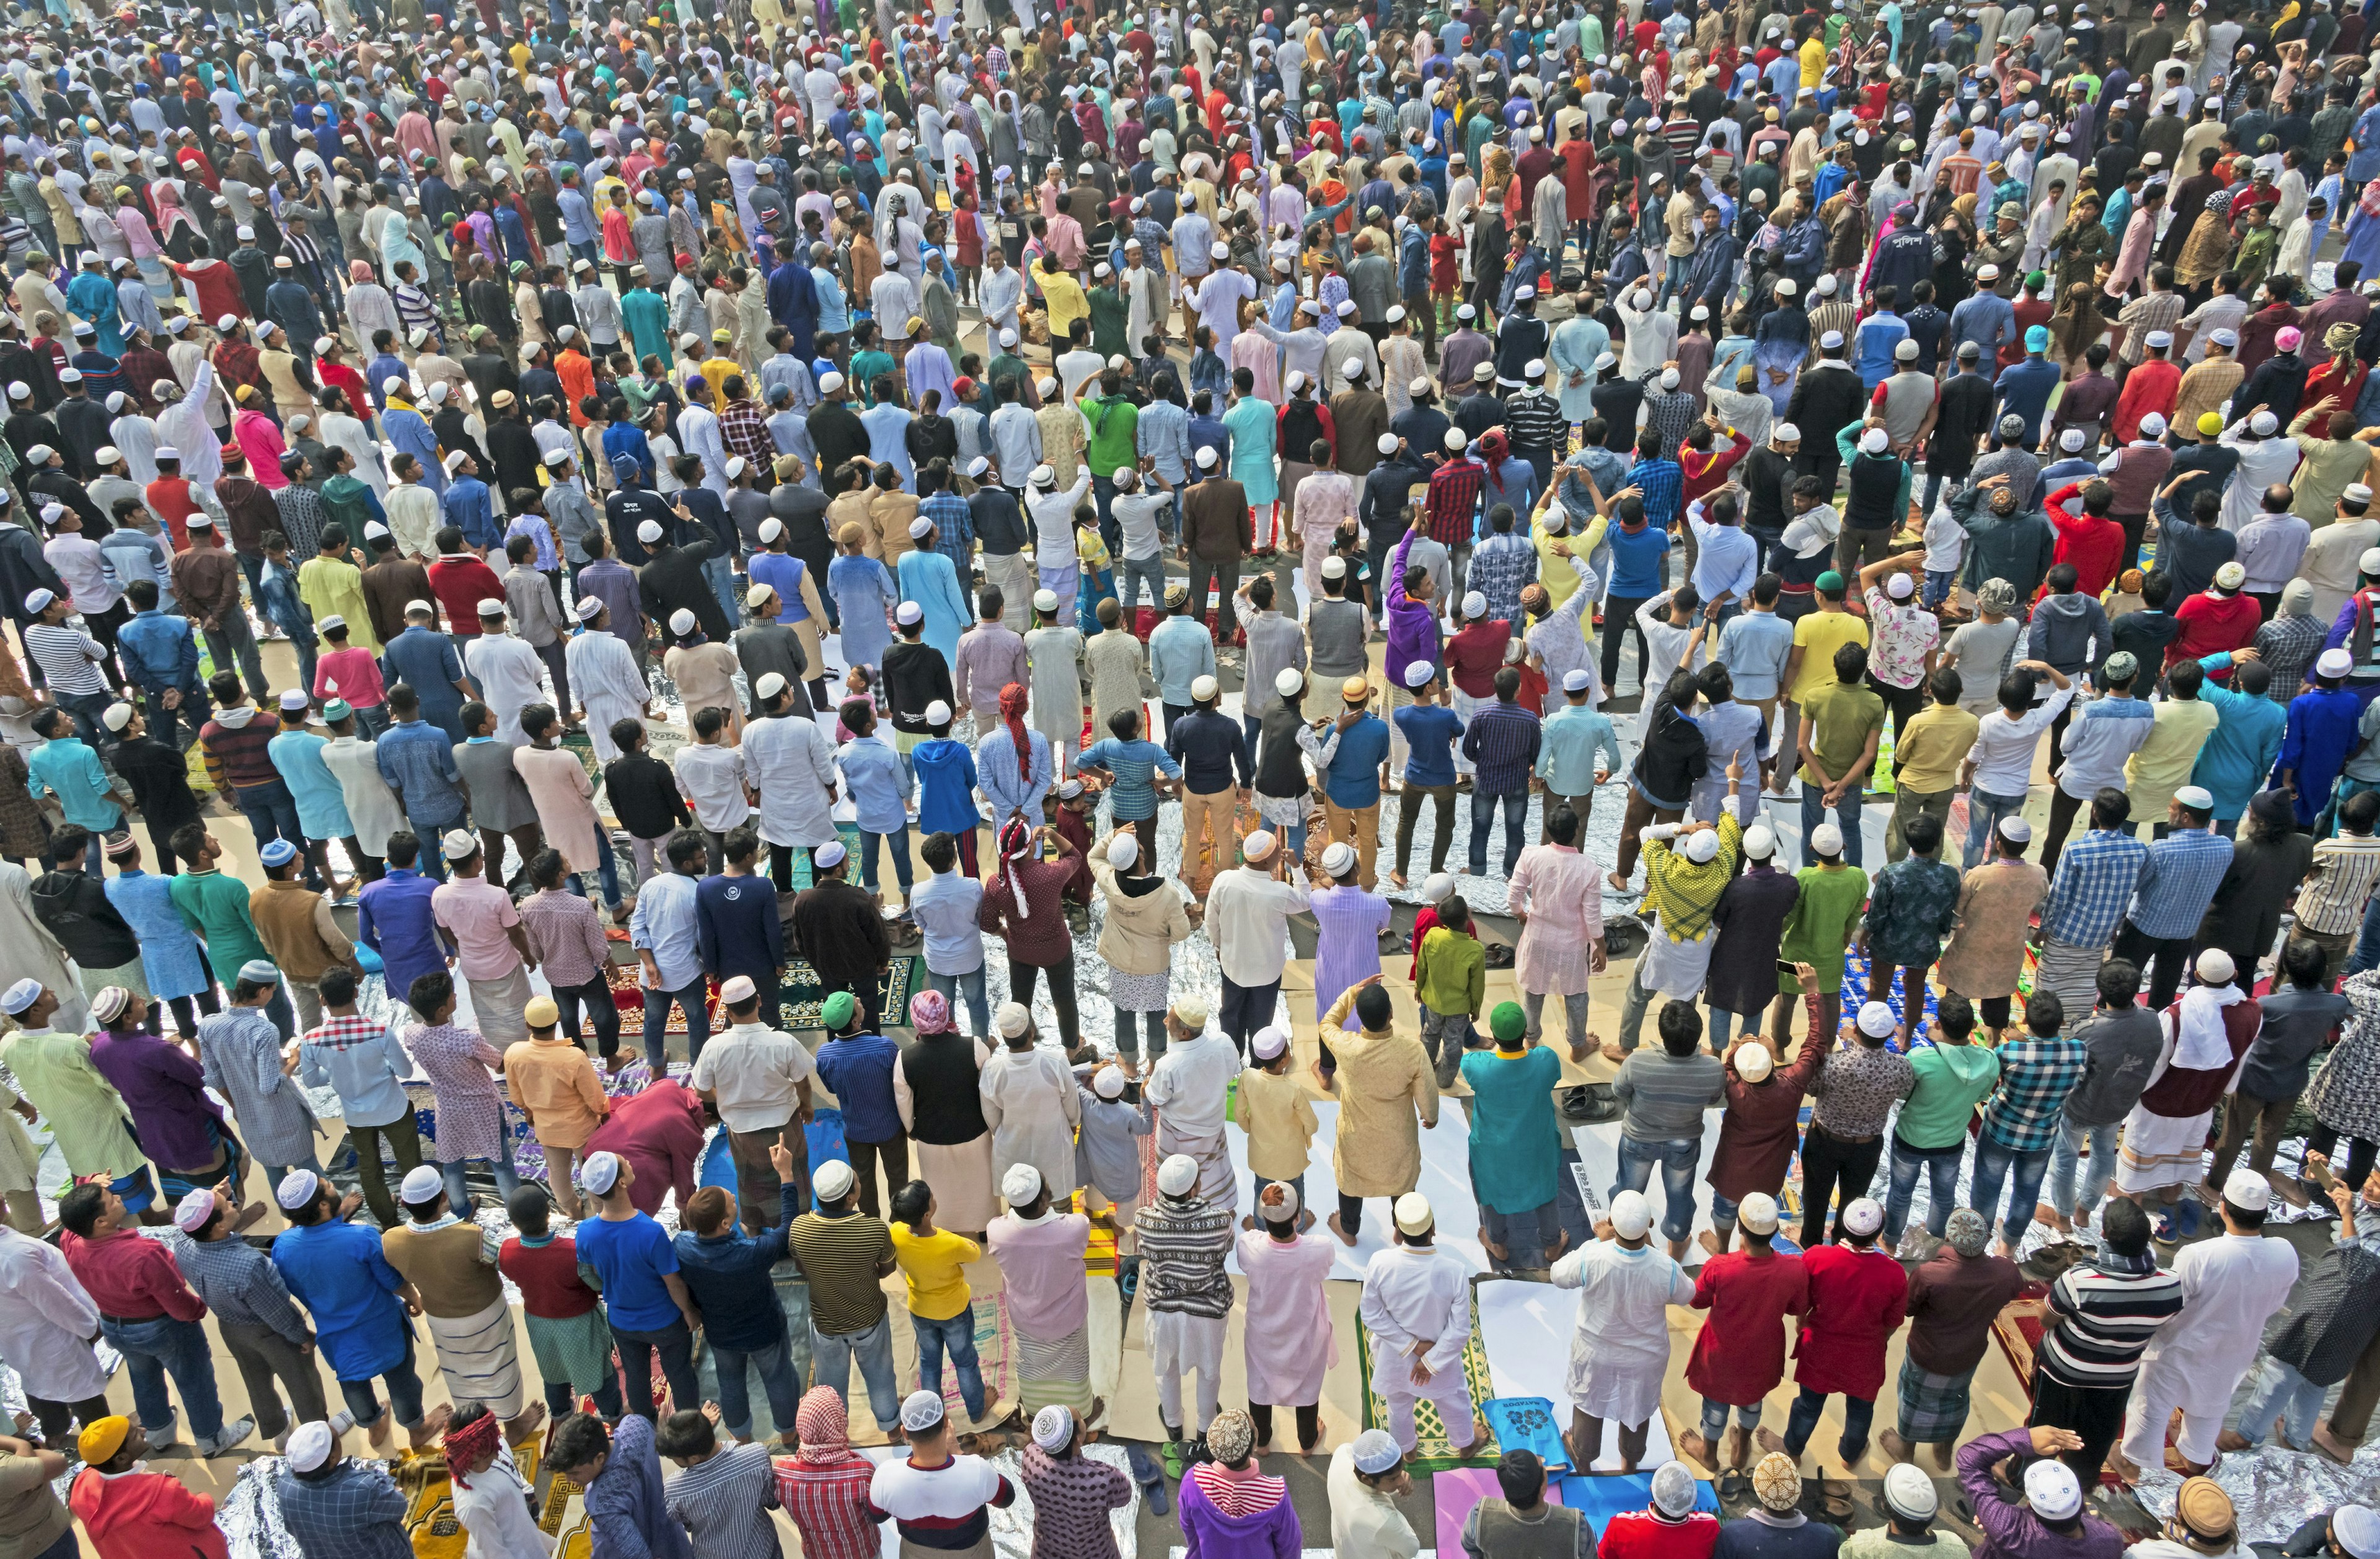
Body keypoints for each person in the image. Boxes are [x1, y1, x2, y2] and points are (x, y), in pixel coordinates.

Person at [2113, 1168, 2303, 1480]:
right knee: (2209, 1407)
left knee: (2152, 1402)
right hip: (2235, 1350)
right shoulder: (2284, 1253)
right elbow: (2274, 1304)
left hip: (2180, 1349)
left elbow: (2171, 1305)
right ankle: (2196, 1459)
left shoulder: (2200, 1255)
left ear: (2223, 1208)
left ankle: (2133, 1461)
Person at [381, 1165, 539, 1442]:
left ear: (405, 1204)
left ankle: (473, 1423)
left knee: (458, 1372)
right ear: (444, 1197)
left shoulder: (392, 1241)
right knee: (499, 1367)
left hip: (441, 1320)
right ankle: (512, 1427)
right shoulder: (470, 1236)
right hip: (485, 1315)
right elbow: (498, 1259)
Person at [1553, 1188, 1695, 1473]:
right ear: (1650, 1226)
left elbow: (1558, 1275)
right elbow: (1687, 1293)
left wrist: (1597, 1241)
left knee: (1589, 1406)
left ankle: (1583, 1460)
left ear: (1611, 1223)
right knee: (1636, 1411)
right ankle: (1629, 1465)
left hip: (1595, 1355)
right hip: (1644, 1362)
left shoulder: (1593, 1255)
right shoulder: (1664, 1267)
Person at [1770, 1196, 1905, 1479]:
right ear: (1878, 1234)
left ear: (1840, 1228)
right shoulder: (1894, 1273)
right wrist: (1877, 1341)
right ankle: (1850, 1455)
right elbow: (1893, 1323)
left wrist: (1801, 1321)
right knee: (1860, 1409)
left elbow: (1801, 1302)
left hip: (1820, 1348)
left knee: (1808, 1405)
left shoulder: (1818, 1256)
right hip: (1865, 1356)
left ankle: (1793, 1449)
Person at [1884, 1208, 2027, 1468]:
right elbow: (2014, 1289)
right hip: (1968, 1354)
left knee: (1913, 1401)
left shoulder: (1929, 1274)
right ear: (1986, 1241)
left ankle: (1906, 1449)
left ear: (1949, 1239)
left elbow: (1908, 1308)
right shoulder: (2005, 1272)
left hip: (1926, 1355)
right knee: (1954, 1402)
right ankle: (1943, 1451)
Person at [574, 1149, 704, 1423]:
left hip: (623, 1321)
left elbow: (595, 1273)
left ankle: (644, 1422)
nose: (629, 1162)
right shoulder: (651, 1232)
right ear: (622, 1183)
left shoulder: (586, 1232)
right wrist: (690, 1311)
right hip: (665, 1321)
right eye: (624, 1164)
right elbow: (674, 1283)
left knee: (635, 1374)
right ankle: (689, 1425)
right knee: (679, 1373)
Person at [1360, 1191, 1481, 1458]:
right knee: (1453, 1400)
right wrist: (1429, 1361)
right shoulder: (1454, 1271)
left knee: (1398, 1405)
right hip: (1441, 1362)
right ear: (1434, 1228)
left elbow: (1371, 1314)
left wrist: (1410, 1346)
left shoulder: (1380, 1263)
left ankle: (1407, 1450)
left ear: (1399, 1232)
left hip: (1395, 1357)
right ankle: (1465, 1443)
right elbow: (1460, 1330)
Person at [787, 1158, 901, 1435]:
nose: (861, 1182)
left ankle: (835, 1433)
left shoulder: (800, 1228)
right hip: (869, 1320)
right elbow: (888, 1268)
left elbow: (802, 1268)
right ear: (851, 1198)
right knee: (881, 1378)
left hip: (826, 1324)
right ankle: (892, 1428)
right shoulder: (874, 1230)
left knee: (830, 1386)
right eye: (858, 1181)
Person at [1139, 1151, 1236, 1453]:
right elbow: (1226, 1248)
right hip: (1207, 1311)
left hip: (1163, 1312)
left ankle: (1174, 1424)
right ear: (1194, 1189)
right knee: (1210, 1371)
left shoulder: (1144, 1219)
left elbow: (1146, 1252)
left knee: (1165, 1368)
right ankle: (1206, 1428)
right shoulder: (1219, 1221)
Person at [549, 1410, 694, 1559]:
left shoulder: (601, 1501)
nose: (568, 1480)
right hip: (668, 1531)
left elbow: (638, 1554)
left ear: (599, 1458)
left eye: (574, 1473)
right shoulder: (637, 1425)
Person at [1329, 1429, 1421, 1559]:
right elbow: (1412, 1549)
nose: (1402, 1481)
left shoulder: (1341, 1454)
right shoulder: (1383, 1520)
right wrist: (1394, 1515)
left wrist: (1394, 1479)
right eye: (1393, 1479)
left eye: (1401, 1472)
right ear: (1367, 1479)